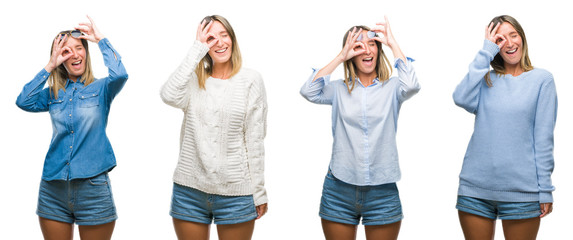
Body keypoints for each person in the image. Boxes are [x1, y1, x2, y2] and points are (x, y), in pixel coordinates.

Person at [300, 16, 420, 240]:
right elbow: (308, 91)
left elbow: (412, 85)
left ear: (379, 49)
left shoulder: (393, 87)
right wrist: (340, 57)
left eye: (372, 43)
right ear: (351, 54)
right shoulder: (338, 89)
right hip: (339, 188)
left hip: (382, 192)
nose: (366, 49)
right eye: (358, 45)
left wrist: (393, 43)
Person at [15, 16, 128, 240]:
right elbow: (23, 101)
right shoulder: (53, 94)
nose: (74, 54)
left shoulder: (102, 88)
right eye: (66, 51)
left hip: (93, 187)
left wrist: (100, 40)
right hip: (53, 187)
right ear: (61, 59)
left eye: (79, 48)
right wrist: (50, 65)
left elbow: (120, 74)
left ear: (86, 52)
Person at [160, 15, 268, 240]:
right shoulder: (192, 81)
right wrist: (196, 49)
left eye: (224, 35)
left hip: (236, 194)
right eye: (210, 38)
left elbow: (255, 141)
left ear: (233, 39)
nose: (219, 42)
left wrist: (258, 192)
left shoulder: (251, 80)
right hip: (189, 191)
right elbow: (168, 95)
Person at [453, 15, 556, 240]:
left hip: (523, 192)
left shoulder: (542, 80)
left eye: (513, 35)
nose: (509, 43)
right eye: (500, 39)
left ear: (522, 38)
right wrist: (485, 52)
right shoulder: (485, 79)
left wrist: (545, 189)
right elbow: (460, 98)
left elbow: (543, 139)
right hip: (475, 190)